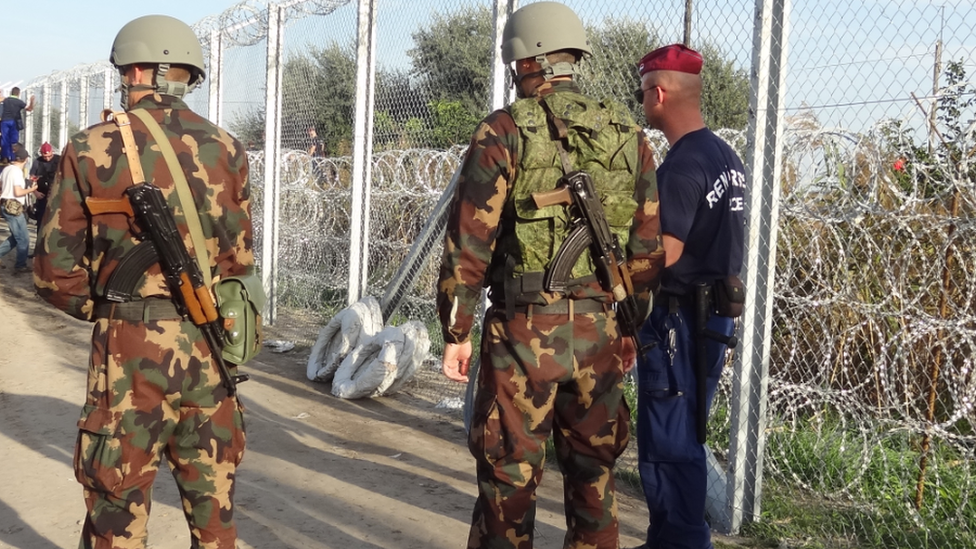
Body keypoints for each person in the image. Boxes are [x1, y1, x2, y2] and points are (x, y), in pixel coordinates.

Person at [437, 3, 665, 548]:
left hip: (522, 333)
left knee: (509, 477)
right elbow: (646, 248)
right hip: (601, 332)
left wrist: (456, 331)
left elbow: (470, 240)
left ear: (523, 61)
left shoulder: (503, 131)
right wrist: (631, 327)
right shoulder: (628, 136)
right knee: (594, 479)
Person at [33, 15, 253, 549]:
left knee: (116, 513)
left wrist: (109, 307)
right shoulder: (227, 148)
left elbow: (52, 273)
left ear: (136, 69)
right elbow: (238, 262)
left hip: (127, 356)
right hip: (209, 347)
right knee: (215, 518)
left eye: (122, 73)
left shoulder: (89, 147)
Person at [632, 44, 746, 549]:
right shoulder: (724, 155)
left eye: (642, 93)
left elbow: (664, 255)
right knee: (685, 434)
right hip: (714, 318)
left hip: (678, 322)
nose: (641, 102)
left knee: (670, 444)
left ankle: (681, 542)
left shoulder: (680, 166)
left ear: (658, 93)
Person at [0, 147, 38, 272]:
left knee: (16, 237)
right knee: (23, 238)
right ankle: (20, 265)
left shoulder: (6, 169)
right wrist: (32, 190)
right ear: (26, 159)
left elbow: (2, 186)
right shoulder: (16, 172)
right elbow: (17, 192)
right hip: (13, 207)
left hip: (5, 204)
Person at [0, 87, 35, 163]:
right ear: (19, 94)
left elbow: (1, 99)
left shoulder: (6, 100)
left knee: (5, 140)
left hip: (5, 121)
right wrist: (32, 102)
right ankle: (13, 158)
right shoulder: (19, 102)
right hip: (14, 122)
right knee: (14, 142)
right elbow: (29, 109)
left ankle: (5, 157)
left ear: (11, 93)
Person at [29, 142, 59, 225]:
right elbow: (31, 178)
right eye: (45, 157)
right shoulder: (37, 162)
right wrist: (35, 192)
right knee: (41, 219)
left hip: (56, 194)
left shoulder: (59, 160)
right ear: (41, 154)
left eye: (49, 156)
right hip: (42, 194)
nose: (47, 159)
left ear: (52, 152)